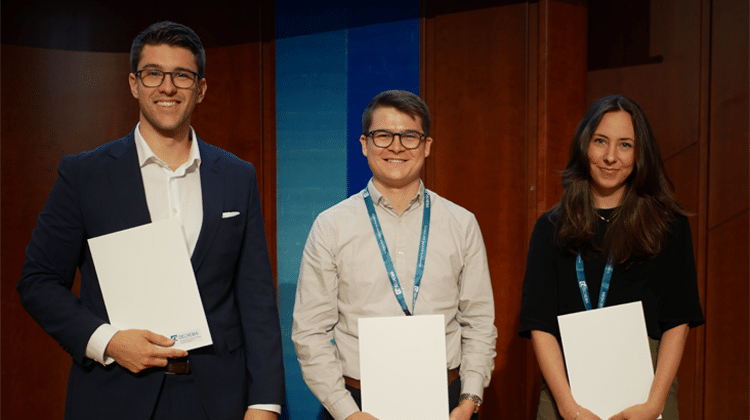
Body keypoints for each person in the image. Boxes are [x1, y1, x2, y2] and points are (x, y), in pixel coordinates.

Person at [16, 21, 285, 420]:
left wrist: (264, 403)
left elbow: (256, 296)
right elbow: (37, 282)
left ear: (201, 88)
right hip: (116, 393)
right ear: (134, 83)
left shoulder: (236, 175)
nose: (168, 87)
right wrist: (108, 341)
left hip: (217, 397)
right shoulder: (84, 175)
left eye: (182, 75)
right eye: (153, 74)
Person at [292, 90, 497, 420]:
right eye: (383, 135)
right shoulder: (331, 226)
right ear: (364, 144)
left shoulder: (461, 223)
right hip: (357, 402)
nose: (397, 147)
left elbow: (480, 323)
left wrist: (469, 399)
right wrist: (346, 412)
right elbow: (310, 331)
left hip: (446, 401)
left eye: (409, 136)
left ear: (427, 146)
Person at [519, 95, 705, 420]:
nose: (609, 157)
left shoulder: (669, 225)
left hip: (646, 391)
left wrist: (655, 403)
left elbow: (679, 319)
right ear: (584, 147)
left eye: (625, 145)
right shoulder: (550, 227)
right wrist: (567, 407)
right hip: (567, 389)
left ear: (639, 153)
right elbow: (540, 324)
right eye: (600, 141)